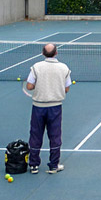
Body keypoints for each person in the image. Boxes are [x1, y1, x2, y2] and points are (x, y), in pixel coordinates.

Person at [26, 43, 71, 174]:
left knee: (35, 135)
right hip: (55, 107)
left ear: (43, 53)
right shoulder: (64, 68)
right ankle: (54, 165)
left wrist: (38, 86)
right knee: (55, 136)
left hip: (38, 107)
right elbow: (66, 88)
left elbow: (29, 86)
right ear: (56, 53)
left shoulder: (36, 67)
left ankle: (34, 165)